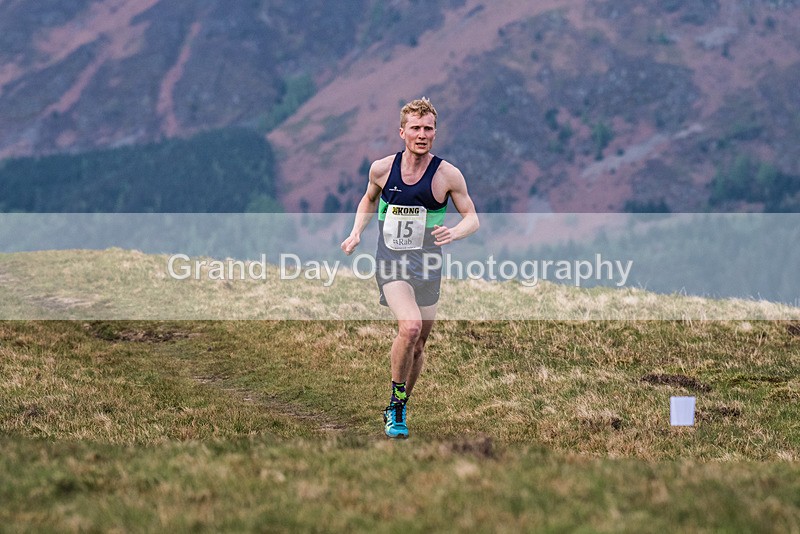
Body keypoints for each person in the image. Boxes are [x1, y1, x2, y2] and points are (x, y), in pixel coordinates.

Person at [341, 97, 479, 439]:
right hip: (391, 262)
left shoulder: (448, 175)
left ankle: (400, 404)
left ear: (435, 132)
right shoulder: (382, 169)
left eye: (428, 128)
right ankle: (396, 404)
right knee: (411, 327)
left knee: (418, 346)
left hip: (429, 264)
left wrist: (455, 232)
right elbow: (370, 198)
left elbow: (472, 218)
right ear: (402, 132)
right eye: (415, 128)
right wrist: (356, 231)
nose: (422, 134)